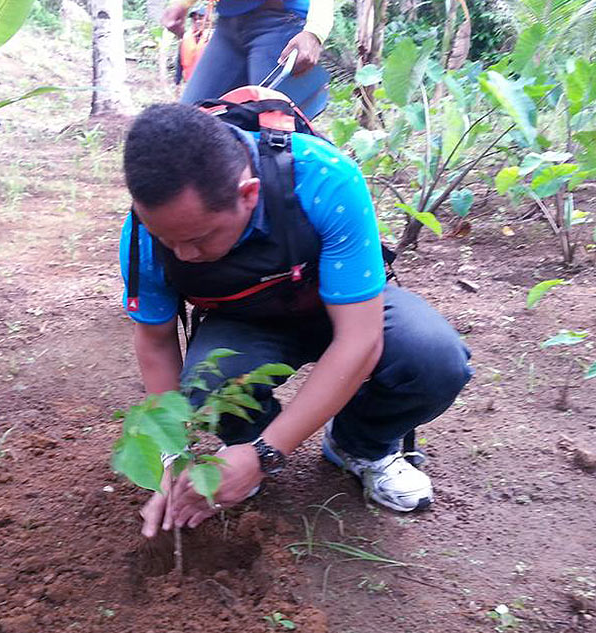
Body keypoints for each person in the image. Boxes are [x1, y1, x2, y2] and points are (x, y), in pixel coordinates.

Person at [118, 103, 474, 538]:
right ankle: (242, 447)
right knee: (205, 385)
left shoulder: (324, 180)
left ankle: (358, 445)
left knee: (433, 359)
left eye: (198, 238)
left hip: (340, 309)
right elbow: (155, 342)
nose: (183, 255)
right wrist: (174, 457)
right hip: (244, 323)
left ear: (248, 194)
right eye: (165, 240)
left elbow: (360, 339)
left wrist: (268, 453)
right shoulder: (142, 233)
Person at [162, 0, 333, 118]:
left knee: (274, 132)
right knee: (190, 120)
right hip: (229, 24)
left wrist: (315, 31)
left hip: (280, 22)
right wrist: (182, 3)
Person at [174, 7, 212, 86]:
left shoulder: (213, 38)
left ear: (207, 21)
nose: (197, 22)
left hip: (207, 82)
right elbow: (179, 60)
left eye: (201, 18)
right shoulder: (186, 37)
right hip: (188, 82)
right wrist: (177, 81)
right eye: (195, 19)